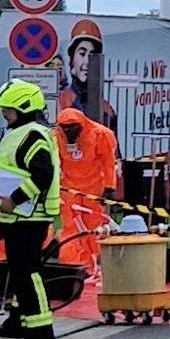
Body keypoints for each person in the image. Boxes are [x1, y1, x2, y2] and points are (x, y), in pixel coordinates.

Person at [0, 80, 62, 339]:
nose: (4, 113)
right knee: (21, 274)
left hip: (27, 218)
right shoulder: (22, 132)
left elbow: (41, 175)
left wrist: (14, 199)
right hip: (20, 219)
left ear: (24, 108)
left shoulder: (32, 135)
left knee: (29, 277)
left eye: (9, 109)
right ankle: (20, 322)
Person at [55, 107, 118, 274]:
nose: (69, 131)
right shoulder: (55, 137)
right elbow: (55, 163)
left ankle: (94, 266)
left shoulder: (100, 134)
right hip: (68, 190)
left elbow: (108, 162)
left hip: (93, 190)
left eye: (72, 127)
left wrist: (110, 186)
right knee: (70, 228)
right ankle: (72, 267)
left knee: (93, 227)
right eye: (65, 128)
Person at [57, 19, 116, 131]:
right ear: (71, 58)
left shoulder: (107, 110)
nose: (87, 62)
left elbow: (113, 147)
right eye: (82, 54)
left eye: (93, 55)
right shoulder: (60, 102)